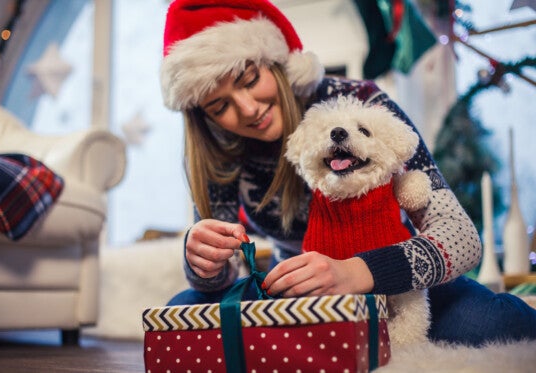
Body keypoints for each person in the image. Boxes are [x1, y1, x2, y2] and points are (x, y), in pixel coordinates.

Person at [161, 0, 536, 347]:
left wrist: (358, 272)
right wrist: (203, 263)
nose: (246, 109)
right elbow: (219, 283)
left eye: (249, 79)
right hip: (296, 291)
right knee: (181, 313)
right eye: (219, 105)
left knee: (487, 324)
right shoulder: (215, 149)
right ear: (203, 114)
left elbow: (461, 238)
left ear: (276, 62)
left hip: (397, 284)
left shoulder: (362, 103)